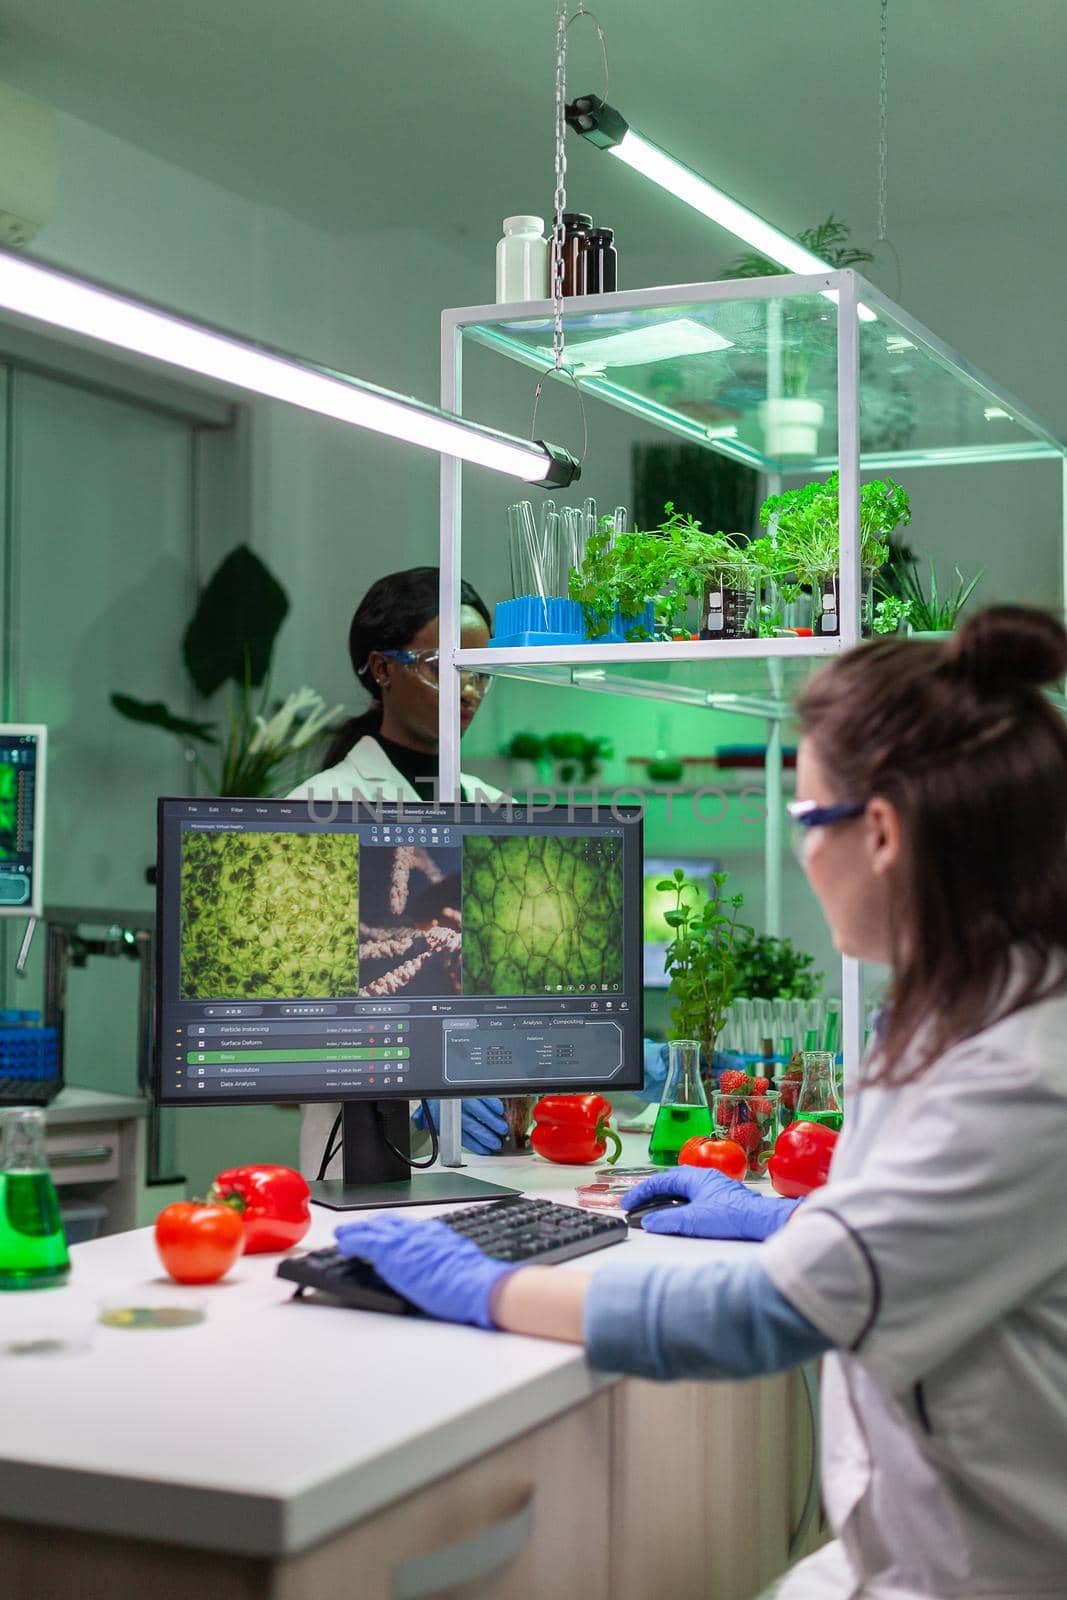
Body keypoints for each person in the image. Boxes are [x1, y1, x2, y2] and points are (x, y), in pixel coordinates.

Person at [331, 606, 1067, 1600]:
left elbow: (762, 1316)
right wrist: (793, 1218)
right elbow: (943, 1230)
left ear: (881, 833)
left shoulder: (1017, 1072)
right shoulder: (975, 1010)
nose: (804, 857)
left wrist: (478, 1284)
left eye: (806, 821)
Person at [288, 566, 510, 1175]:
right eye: (445, 667)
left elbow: (512, 986)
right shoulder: (315, 809)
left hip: (491, 1145)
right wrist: (413, 1092)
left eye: (480, 672)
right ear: (382, 669)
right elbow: (289, 1015)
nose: (469, 691)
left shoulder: (496, 811)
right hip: (357, 1149)